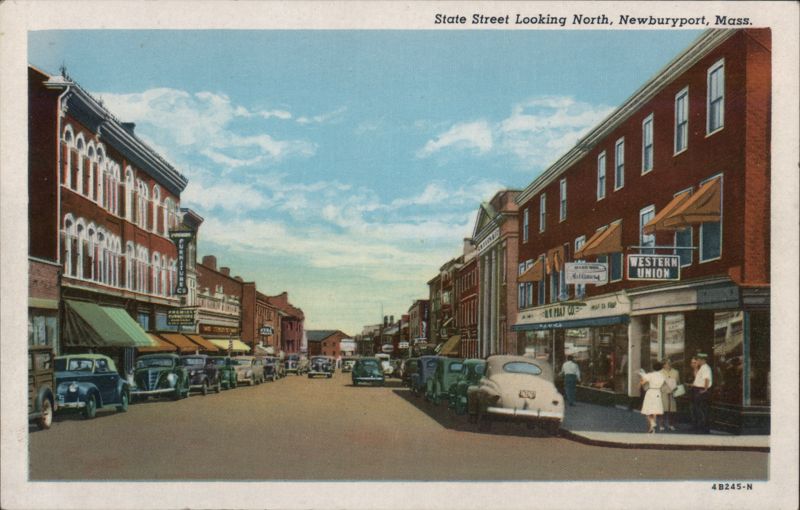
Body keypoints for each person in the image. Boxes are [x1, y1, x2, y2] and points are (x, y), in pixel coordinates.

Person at [639, 361, 666, 433]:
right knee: (655, 410)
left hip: (650, 392)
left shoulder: (650, 375)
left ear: (653, 367)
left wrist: (642, 376)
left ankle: (652, 423)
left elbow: (642, 382)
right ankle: (652, 427)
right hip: (658, 392)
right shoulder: (662, 376)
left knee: (648, 410)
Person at [691, 353, 713, 433]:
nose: (697, 361)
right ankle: (699, 427)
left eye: (698, 360)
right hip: (698, 389)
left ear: (702, 360)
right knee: (698, 409)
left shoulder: (705, 368)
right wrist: (695, 368)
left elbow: (706, 379)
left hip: (701, 390)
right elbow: (697, 378)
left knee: (702, 410)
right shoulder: (702, 368)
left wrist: (705, 389)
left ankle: (703, 428)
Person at [658, 358, 679, 431]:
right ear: (663, 365)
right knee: (663, 410)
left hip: (672, 392)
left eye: (670, 362)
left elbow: (678, 382)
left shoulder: (676, 372)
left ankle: (671, 424)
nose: (669, 364)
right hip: (663, 392)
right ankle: (661, 425)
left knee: (672, 410)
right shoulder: (660, 373)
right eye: (667, 363)